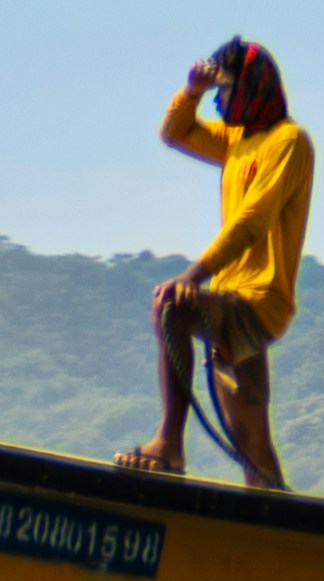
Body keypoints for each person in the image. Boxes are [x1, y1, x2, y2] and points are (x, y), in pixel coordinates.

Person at [127, 37, 314, 488]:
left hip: (257, 300)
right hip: (234, 300)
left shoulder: (288, 142)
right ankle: (278, 535)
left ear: (251, 89)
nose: (218, 99)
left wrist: (193, 275)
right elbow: (176, 133)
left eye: (225, 89)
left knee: (173, 305)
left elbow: (253, 219)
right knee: (253, 443)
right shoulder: (239, 141)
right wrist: (191, 91)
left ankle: (169, 445)